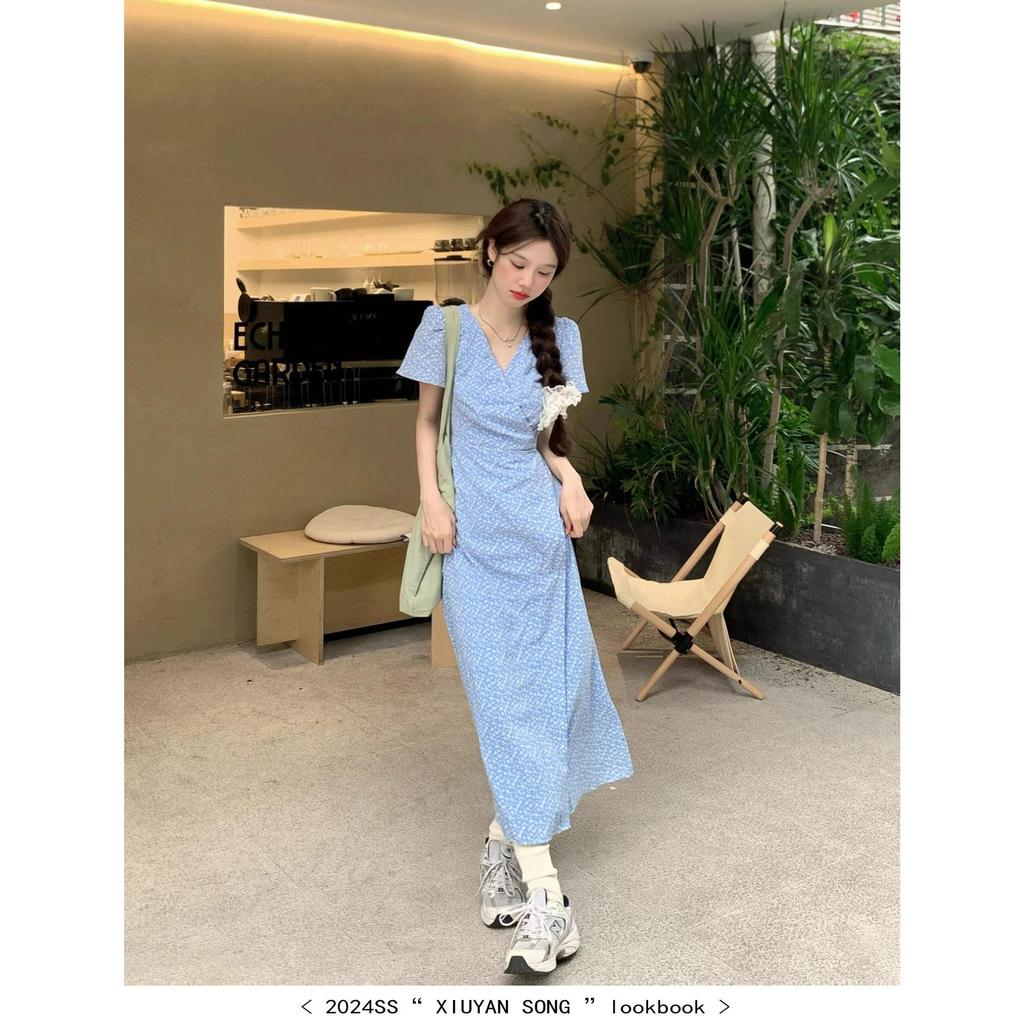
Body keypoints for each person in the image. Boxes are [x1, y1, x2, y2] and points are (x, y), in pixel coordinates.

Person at [396, 198, 634, 975]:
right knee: (503, 705)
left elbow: (546, 440)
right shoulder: (444, 328)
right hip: (470, 543)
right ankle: (549, 900)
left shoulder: (562, 336)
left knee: (547, 700)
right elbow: (426, 425)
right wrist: (432, 501)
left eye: (546, 269)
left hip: (540, 543)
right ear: (490, 251)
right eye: (519, 262)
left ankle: (502, 847)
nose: (529, 279)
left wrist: (572, 479)